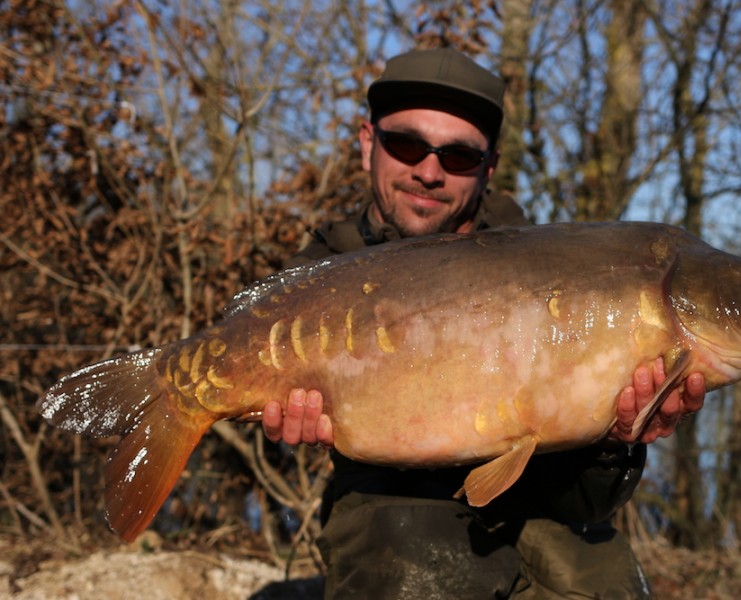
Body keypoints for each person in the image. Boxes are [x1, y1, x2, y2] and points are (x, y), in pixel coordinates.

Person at [262, 47, 706, 599]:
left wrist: (616, 440)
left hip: (534, 501)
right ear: (366, 143)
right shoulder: (317, 280)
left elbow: (583, 502)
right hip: (389, 502)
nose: (428, 172)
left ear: (488, 169)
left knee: (608, 584)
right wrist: (287, 432)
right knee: (412, 570)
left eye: (458, 156)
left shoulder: (552, 272)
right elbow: (272, 435)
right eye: (406, 145)